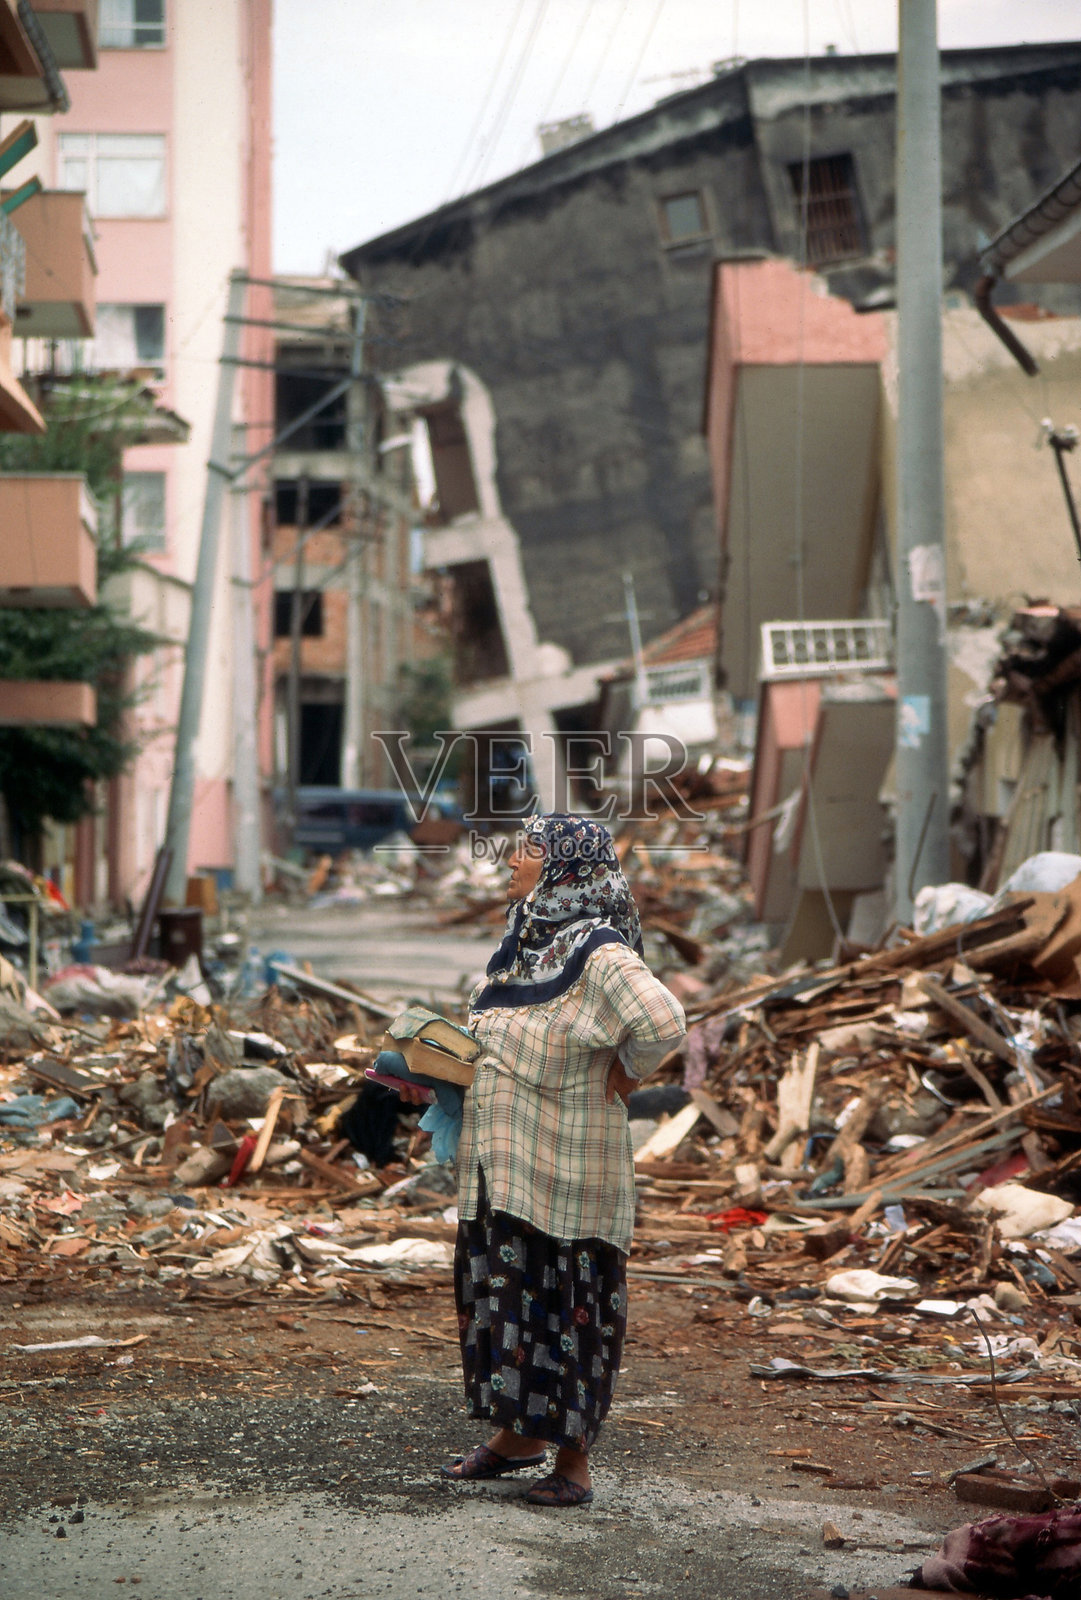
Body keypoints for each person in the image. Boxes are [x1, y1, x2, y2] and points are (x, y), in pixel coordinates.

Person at [397, 813, 685, 1508]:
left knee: (569, 1303)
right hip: (504, 1169)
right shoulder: (525, 943)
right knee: (506, 1299)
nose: (511, 861)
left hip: (570, 1172)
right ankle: (517, 1438)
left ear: (567, 869)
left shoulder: (599, 950)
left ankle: (573, 1462)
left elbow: (663, 1021)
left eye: (528, 850)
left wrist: (627, 1072)